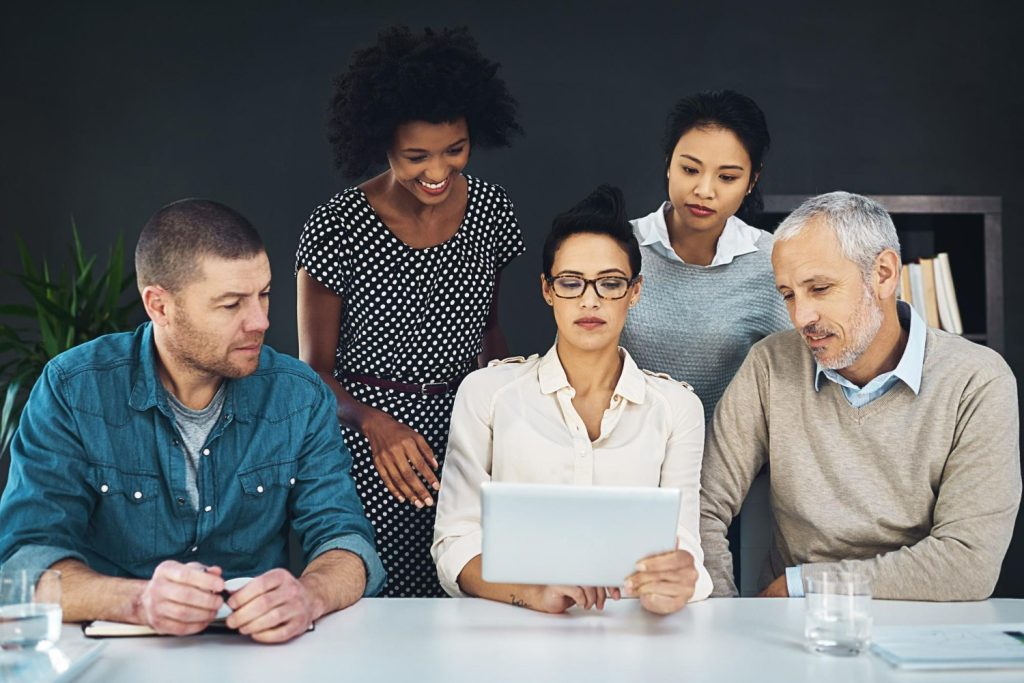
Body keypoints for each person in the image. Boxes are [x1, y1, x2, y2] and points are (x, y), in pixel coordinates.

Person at [0, 199, 384, 642]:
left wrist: (309, 594)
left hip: (259, 655)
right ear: (159, 306)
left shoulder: (298, 393)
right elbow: (25, 562)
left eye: (263, 294)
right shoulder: (72, 388)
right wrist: (139, 601)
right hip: (114, 654)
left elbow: (348, 543)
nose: (260, 321)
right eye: (230, 305)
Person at [699, 191, 1021, 600]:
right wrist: (720, 612)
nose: (801, 318)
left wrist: (805, 585)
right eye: (789, 295)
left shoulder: (977, 380)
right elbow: (702, 505)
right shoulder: (770, 365)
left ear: (884, 274)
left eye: (819, 288)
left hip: (924, 619)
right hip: (794, 625)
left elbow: (969, 562)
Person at [296, 25, 524, 597]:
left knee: (473, 589)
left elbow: (489, 328)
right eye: (414, 156)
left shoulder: (491, 211)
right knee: (381, 600)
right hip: (369, 441)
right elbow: (312, 369)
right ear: (380, 144)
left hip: (466, 429)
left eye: (455, 150)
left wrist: (505, 420)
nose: (437, 172)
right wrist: (375, 424)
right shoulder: (336, 227)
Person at [432, 185, 712, 614]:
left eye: (610, 283)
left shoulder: (676, 408)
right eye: (571, 282)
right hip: (514, 630)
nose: (590, 300)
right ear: (547, 290)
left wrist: (676, 583)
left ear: (634, 292)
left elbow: (683, 545)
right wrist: (534, 592)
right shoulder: (487, 394)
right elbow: (455, 543)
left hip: (633, 632)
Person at [621, 90, 790, 418]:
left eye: (727, 177)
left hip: (729, 461)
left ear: (752, 181)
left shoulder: (772, 261)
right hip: (621, 454)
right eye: (690, 170)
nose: (704, 190)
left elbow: (802, 373)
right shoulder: (617, 247)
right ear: (669, 163)